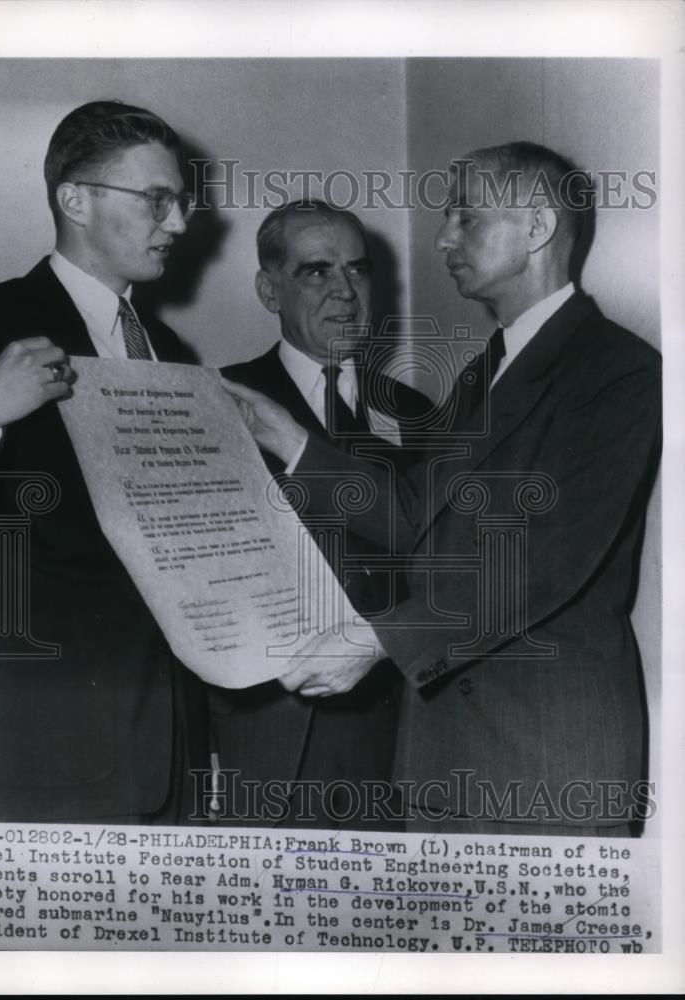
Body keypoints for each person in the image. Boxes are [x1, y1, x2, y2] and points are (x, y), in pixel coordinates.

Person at [226, 142, 662, 835]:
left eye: (465, 218)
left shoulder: (618, 372)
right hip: (445, 761)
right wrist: (289, 438)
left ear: (537, 228)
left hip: (543, 770)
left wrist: (377, 640)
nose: (442, 238)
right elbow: (411, 518)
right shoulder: (482, 374)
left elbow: (543, 561)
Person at [0, 100, 208, 824]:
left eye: (182, 202)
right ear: (75, 200)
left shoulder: (175, 354)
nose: (179, 223)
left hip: (177, 742)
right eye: (158, 200)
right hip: (53, 745)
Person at [211, 200, 431, 827]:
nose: (344, 292)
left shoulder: (419, 414)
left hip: (400, 728)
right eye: (316, 272)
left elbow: (434, 551)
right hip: (275, 730)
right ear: (268, 288)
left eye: (357, 271)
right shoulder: (221, 400)